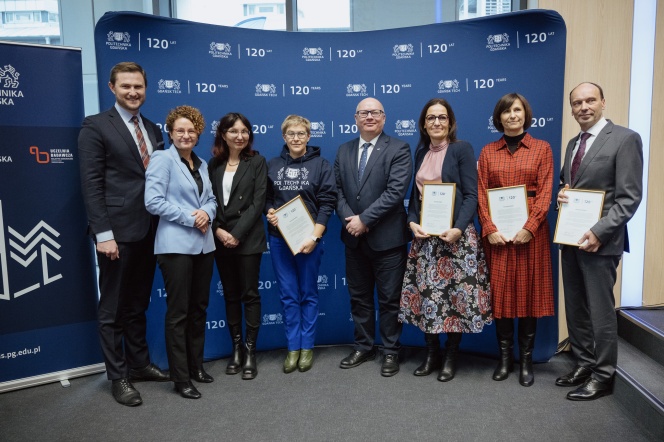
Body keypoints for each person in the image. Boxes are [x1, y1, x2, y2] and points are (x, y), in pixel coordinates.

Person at [78, 61, 169, 407]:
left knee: (137, 304)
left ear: (146, 89)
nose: (133, 92)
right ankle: (118, 376)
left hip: (150, 230)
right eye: (126, 86)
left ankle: (140, 363)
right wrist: (103, 234)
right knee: (112, 309)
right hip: (115, 234)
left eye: (139, 87)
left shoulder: (151, 127)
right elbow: (91, 185)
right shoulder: (96, 126)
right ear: (112, 88)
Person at [556, 82, 643, 401]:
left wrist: (599, 232)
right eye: (577, 103)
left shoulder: (625, 138)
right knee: (575, 307)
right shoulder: (572, 143)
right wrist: (562, 195)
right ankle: (584, 363)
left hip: (600, 242)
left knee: (600, 310)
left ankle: (604, 375)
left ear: (603, 102)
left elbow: (629, 198)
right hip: (570, 239)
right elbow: (571, 187)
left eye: (590, 100)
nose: (584, 107)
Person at [400, 98, 492, 382]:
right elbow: (416, 198)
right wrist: (412, 221)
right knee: (428, 297)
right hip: (426, 240)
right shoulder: (420, 153)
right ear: (423, 124)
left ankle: (451, 357)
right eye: (431, 118)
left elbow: (470, 194)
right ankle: (431, 354)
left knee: (454, 298)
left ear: (450, 122)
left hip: (455, 239)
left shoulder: (461, 149)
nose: (436, 122)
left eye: (442, 117)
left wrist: (459, 228)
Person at [477, 93, 554, 387]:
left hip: (529, 236)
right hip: (497, 237)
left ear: (525, 114)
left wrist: (530, 226)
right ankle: (505, 359)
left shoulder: (541, 149)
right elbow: (482, 194)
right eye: (507, 111)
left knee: (529, 298)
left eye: (517, 110)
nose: (512, 115)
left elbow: (545, 192)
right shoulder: (488, 152)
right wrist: (489, 226)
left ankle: (526, 362)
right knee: (502, 299)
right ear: (499, 117)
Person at [335, 97, 413, 377]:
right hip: (353, 239)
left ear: (384, 118)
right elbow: (338, 192)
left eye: (375, 112)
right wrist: (351, 222)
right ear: (355, 118)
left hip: (387, 240)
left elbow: (395, 192)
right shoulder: (343, 150)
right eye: (363, 113)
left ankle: (391, 350)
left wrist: (364, 220)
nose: (369, 117)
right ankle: (363, 346)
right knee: (359, 297)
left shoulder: (399, 148)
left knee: (390, 299)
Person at [144, 105, 217, 399]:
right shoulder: (162, 160)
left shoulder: (201, 164)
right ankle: (180, 377)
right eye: (180, 131)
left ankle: (196, 365)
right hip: (175, 246)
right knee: (179, 313)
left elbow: (211, 199)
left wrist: (207, 214)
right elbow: (153, 201)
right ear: (171, 133)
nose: (186, 135)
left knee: (199, 309)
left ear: (198, 134)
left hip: (204, 245)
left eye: (191, 131)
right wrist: (192, 217)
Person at [265, 115, 337, 374]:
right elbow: (266, 199)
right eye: (291, 134)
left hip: (309, 240)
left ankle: (307, 348)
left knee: (308, 294)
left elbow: (328, 202)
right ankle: (292, 347)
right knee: (288, 296)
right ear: (284, 137)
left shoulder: (321, 165)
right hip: (279, 240)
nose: (296, 138)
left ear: (309, 136)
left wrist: (315, 237)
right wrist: (270, 212)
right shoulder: (272, 165)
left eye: (301, 133)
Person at [209, 113, 267, 380]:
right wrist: (219, 230)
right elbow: (208, 201)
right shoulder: (213, 164)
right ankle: (235, 350)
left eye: (244, 131)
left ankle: (250, 352)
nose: (240, 136)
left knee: (249, 294)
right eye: (233, 131)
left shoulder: (256, 161)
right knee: (230, 295)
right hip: (221, 240)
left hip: (248, 240)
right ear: (223, 134)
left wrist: (237, 234)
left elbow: (258, 203)